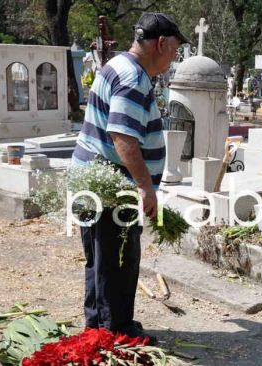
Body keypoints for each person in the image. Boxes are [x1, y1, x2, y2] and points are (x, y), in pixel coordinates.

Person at [71, 12, 190, 342]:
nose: (174, 58)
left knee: (99, 259)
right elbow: (123, 137)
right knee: (118, 262)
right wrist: (144, 187)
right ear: (161, 43)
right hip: (112, 188)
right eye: (175, 50)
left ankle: (97, 328)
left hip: (93, 178)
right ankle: (117, 333)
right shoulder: (133, 80)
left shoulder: (117, 66)